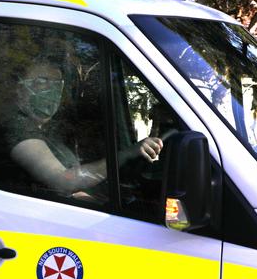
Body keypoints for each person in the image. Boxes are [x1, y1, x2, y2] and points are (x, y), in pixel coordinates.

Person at [9, 61, 163, 201]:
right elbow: (63, 181)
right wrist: (125, 155)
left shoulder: (49, 131)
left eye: (57, 84)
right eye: (42, 82)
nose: (51, 90)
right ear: (20, 88)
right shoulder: (18, 130)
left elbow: (69, 189)